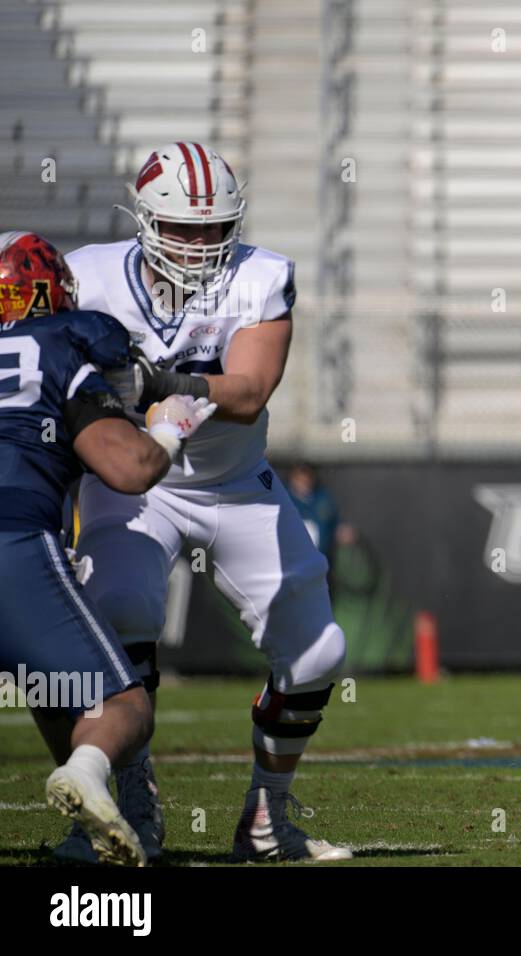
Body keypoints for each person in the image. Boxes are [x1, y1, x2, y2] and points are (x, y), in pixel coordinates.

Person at [43, 142, 351, 863]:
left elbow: (247, 393)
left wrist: (159, 385)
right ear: (146, 219)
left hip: (233, 484)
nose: (200, 244)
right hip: (132, 486)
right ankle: (128, 793)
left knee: (317, 654)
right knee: (122, 612)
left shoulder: (262, 275)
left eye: (214, 229)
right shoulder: (88, 276)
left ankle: (267, 819)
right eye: (183, 228)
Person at [0, 230, 213, 865]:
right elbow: (128, 469)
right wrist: (169, 431)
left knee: (46, 685)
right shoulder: (60, 343)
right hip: (11, 537)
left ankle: (82, 828)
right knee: (122, 704)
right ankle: (88, 772)